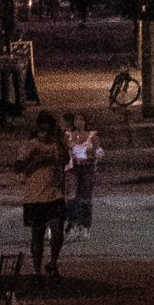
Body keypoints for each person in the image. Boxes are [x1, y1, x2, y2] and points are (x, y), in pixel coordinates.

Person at [17, 110, 70, 279]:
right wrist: (34, 160)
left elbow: (65, 160)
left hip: (55, 194)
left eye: (49, 130)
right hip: (34, 196)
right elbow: (17, 166)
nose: (46, 134)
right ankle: (37, 269)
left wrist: (60, 141)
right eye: (43, 130)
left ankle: (53, 262)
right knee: (37, 234)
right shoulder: (29, 145)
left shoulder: (56, 144)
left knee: (57, 230)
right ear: (38, 128)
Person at [65, 120, 98, 235]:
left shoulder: (92, 136)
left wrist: (95, 154)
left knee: (86, 198)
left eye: (81, 119)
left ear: (85, 122)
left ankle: (85, 225)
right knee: (72, 197)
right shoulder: (69, 135)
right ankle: (73, 223)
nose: (79, 122)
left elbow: (98, 150)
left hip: (87, 169)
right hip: (73, 169)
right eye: (76, 120)